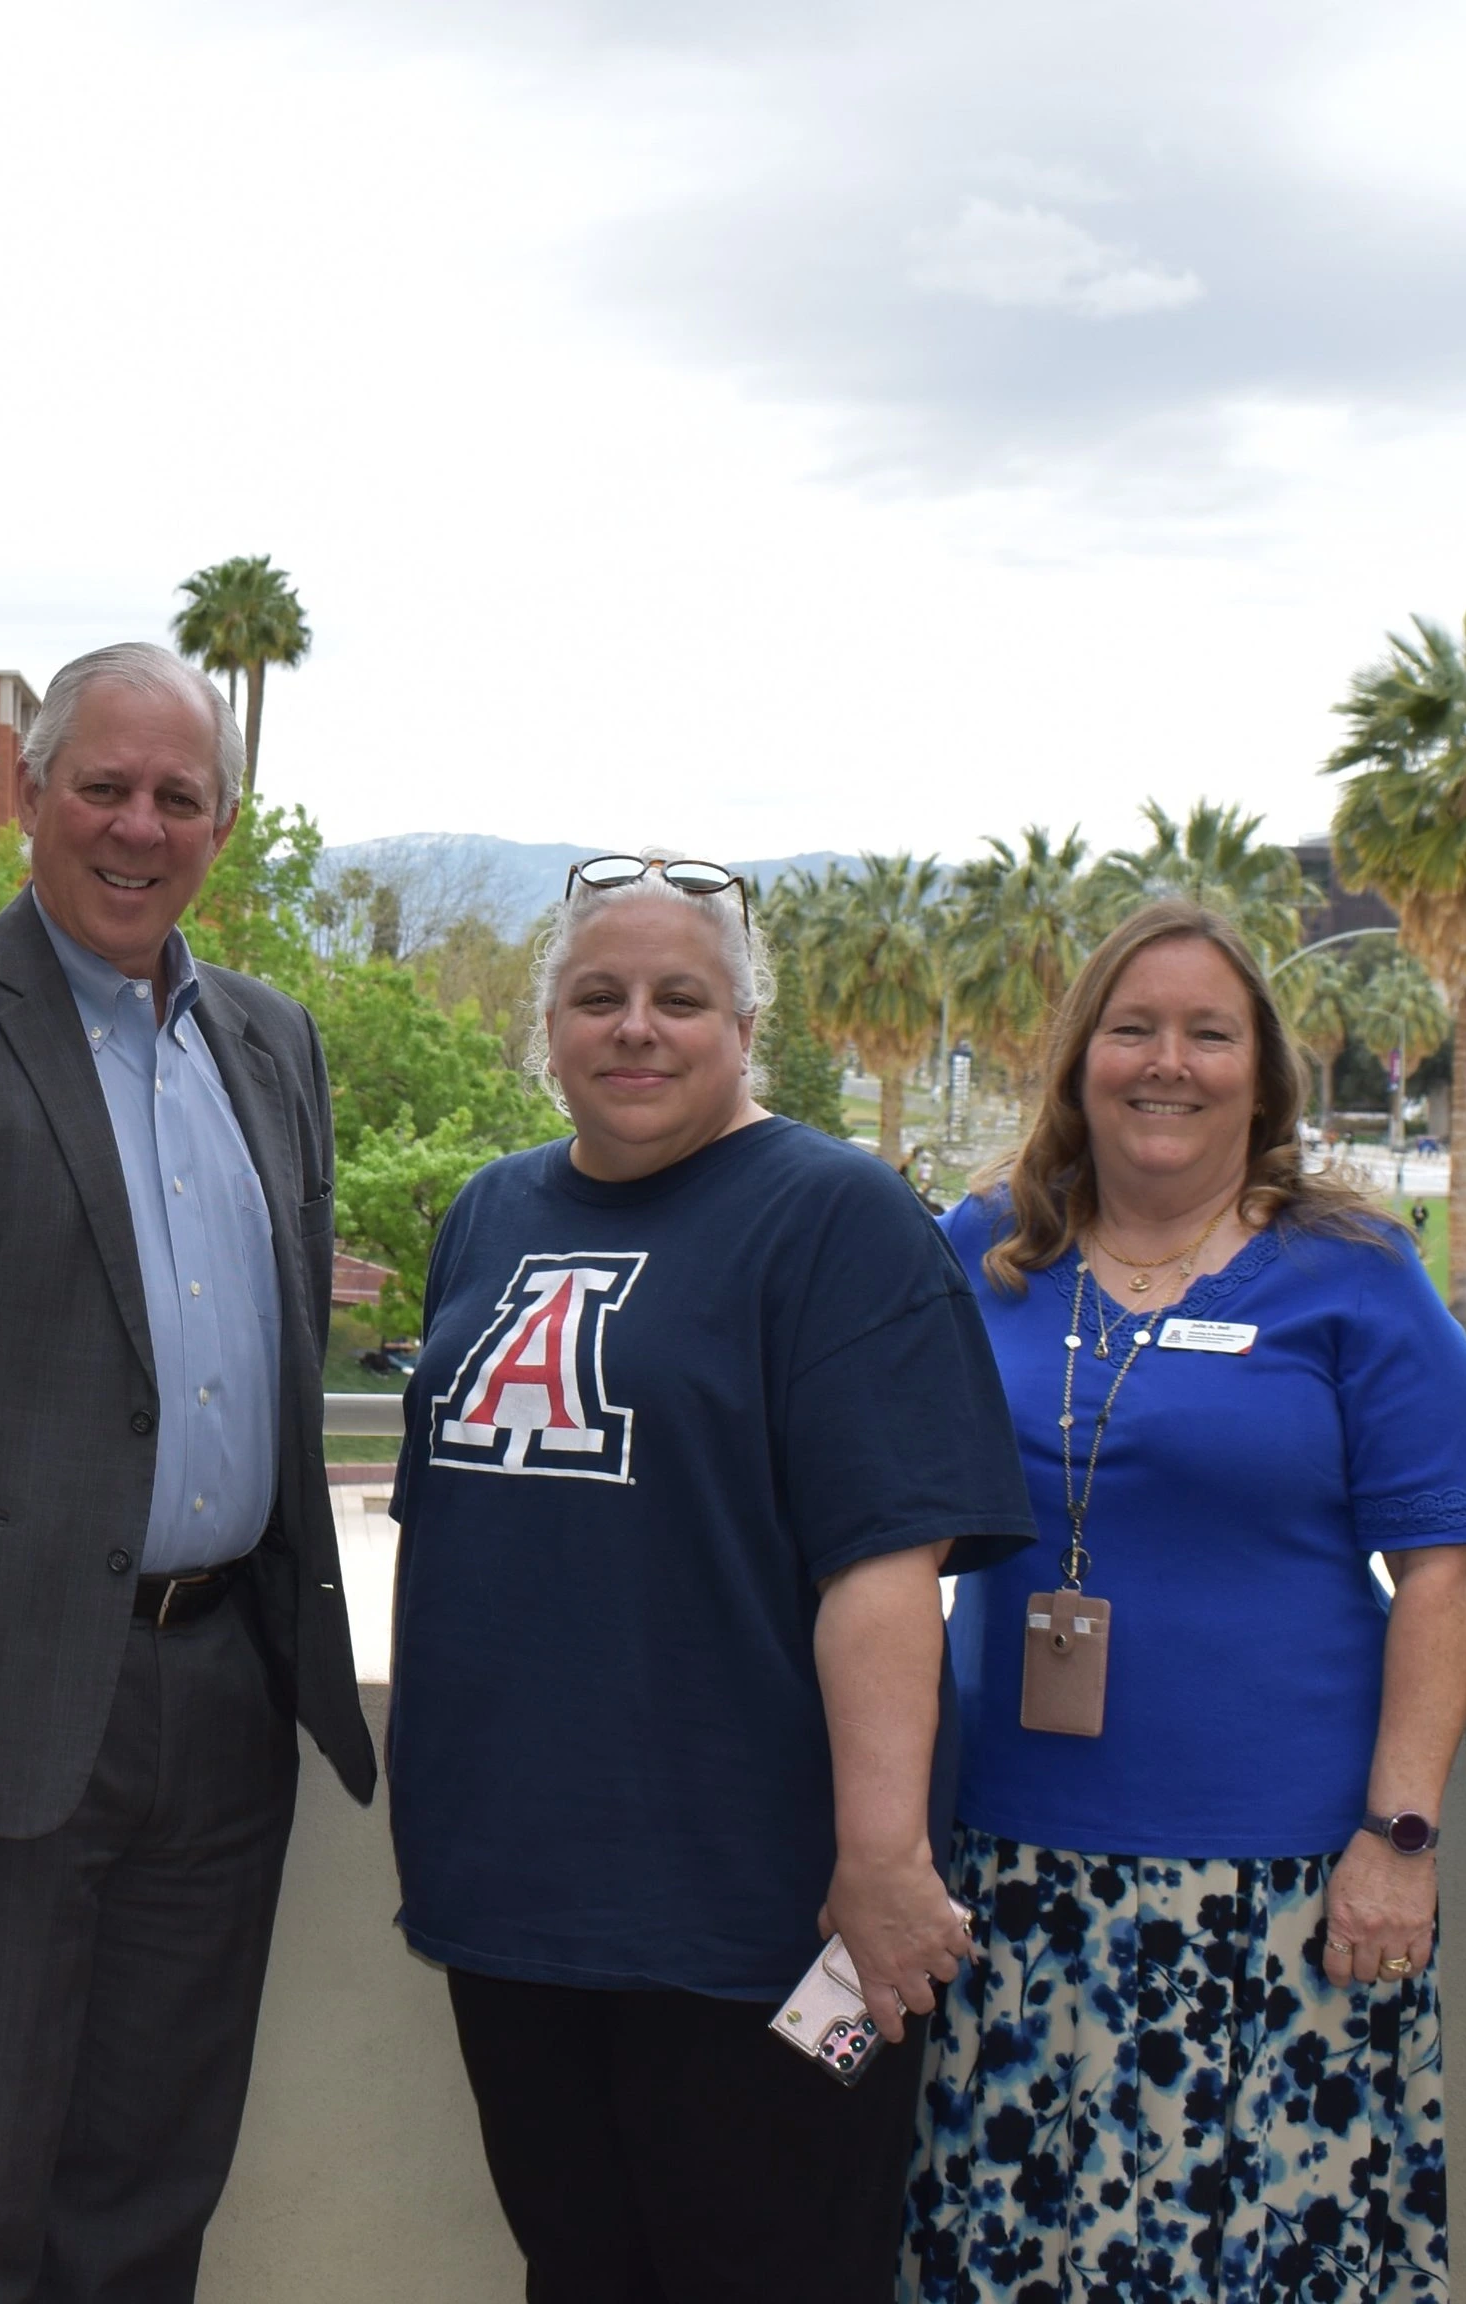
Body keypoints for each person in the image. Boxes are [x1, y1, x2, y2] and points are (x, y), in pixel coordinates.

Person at [0, 640, 377, 2300]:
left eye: (178, 797)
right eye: (101, 785)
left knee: (146, 2203)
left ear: (221, 830)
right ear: (30, 797)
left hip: (223, 1701)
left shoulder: (273, 1042)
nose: (136, 826)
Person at [386, 852, 1029, 2304]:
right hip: (520, 1898)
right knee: (581, 2270)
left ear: (746, 1031)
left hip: (763, 1918)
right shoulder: (489, 1214)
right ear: (543, 1028)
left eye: (682, 998)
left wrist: (882, 1864)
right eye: (596, 996)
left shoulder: (836, 1215)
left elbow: (886, 1565)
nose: (636, 1027)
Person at [898, 901, 1466, 2304]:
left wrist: (1400, 1835)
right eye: (1134, 1028)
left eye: (1209, 1034)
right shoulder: (976, 1250)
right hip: (1003, 1876)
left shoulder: (1352, 1270)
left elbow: (1449, 1569)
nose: (1169, 1063)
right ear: (1080, 1057)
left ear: (1263, 1073)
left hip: (1283, 1894)